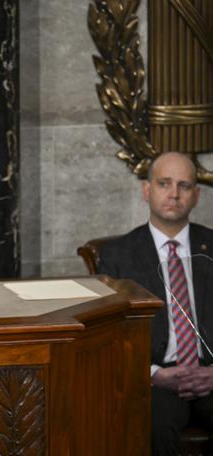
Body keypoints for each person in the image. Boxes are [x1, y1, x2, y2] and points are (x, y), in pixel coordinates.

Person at [97, 151, 213, 455]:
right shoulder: (118, 255)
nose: (174, 194)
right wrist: (154, 374)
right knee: (153, 425)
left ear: (197, 196)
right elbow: (110, 335)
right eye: (164, 184)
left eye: (184, 186)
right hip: (156, 378)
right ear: (147, 191)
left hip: (211, 373)